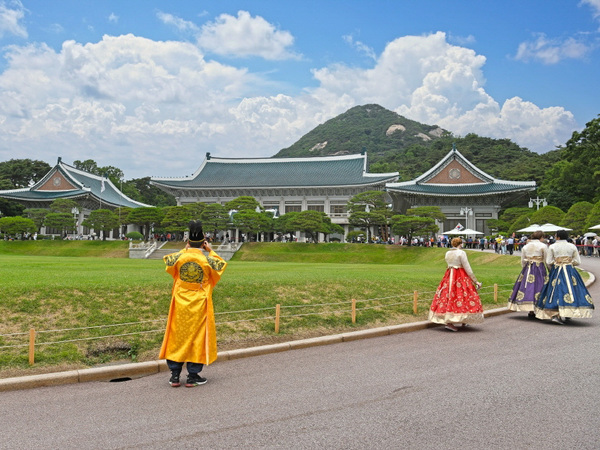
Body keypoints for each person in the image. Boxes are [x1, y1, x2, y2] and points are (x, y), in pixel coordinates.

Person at [159, 220, 227, 387]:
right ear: (204, 242)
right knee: (197, 337)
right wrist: (209, 250)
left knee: (177, 336)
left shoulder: (179, 257)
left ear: (187, 241)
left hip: (180, 301)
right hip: (200, 302)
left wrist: (186, 248)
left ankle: (174, 375)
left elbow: (169, 263)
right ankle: (193, 375)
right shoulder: (206, 260)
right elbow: (220, 266)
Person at [535, 229, 594, 324]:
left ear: (557, 237)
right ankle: (568, 312)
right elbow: (578, 261)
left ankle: (555, 313)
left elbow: (548, 261)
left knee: (555, 290)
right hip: (569, 270)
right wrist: (569, 262)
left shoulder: (553, 246)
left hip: (557, 270)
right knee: (572, 289)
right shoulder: (572, 246)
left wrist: (556, 264)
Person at [429, 237, 484, 331]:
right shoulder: (461, 253)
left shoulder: (447, 253)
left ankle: (453, 320)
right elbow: (467, 267)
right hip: (460, 275)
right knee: (463, 295)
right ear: (461, 244)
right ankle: (461, 320)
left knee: (448, 295)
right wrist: (475, 281)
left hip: (449, 274)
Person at [507, 230, 547, 318]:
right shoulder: (543, 246)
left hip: (528, 267)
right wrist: (548, 269)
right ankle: (539, 308)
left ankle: (531, 310)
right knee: (539, 287)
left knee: (528, 287)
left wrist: (524, 268)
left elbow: (522, 260)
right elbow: (546, 259)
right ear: (541, 237)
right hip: (539, 267)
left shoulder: (526, 246)